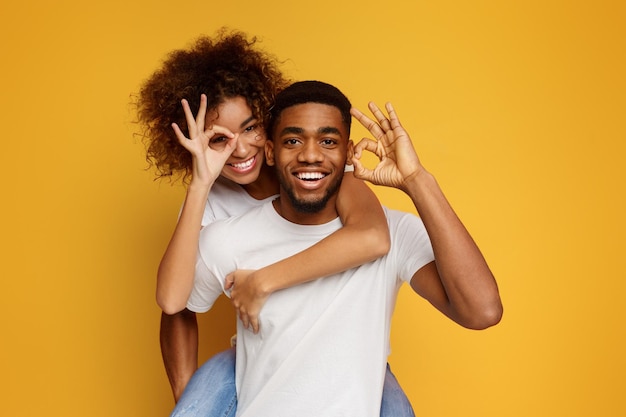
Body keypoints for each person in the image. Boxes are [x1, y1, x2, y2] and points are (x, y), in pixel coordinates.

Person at [136, 30, 417, 416]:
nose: (241, 149)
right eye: (219, 139)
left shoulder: (323, 175)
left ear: (270, 129)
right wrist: (194, 401)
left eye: (250, 128)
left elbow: (371, 237)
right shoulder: (213, 202)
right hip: (260, 357)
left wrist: (264, 279)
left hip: (346, 356)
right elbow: (174, 304)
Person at [185, 80, 503, 417]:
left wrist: (417, 179)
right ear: (269, 152)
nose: (310, 154)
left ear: (348, 153)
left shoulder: (394, 233)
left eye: (328, 141)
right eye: (293, 141)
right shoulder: (226, 239)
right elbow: (177, 307)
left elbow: (481, 311)